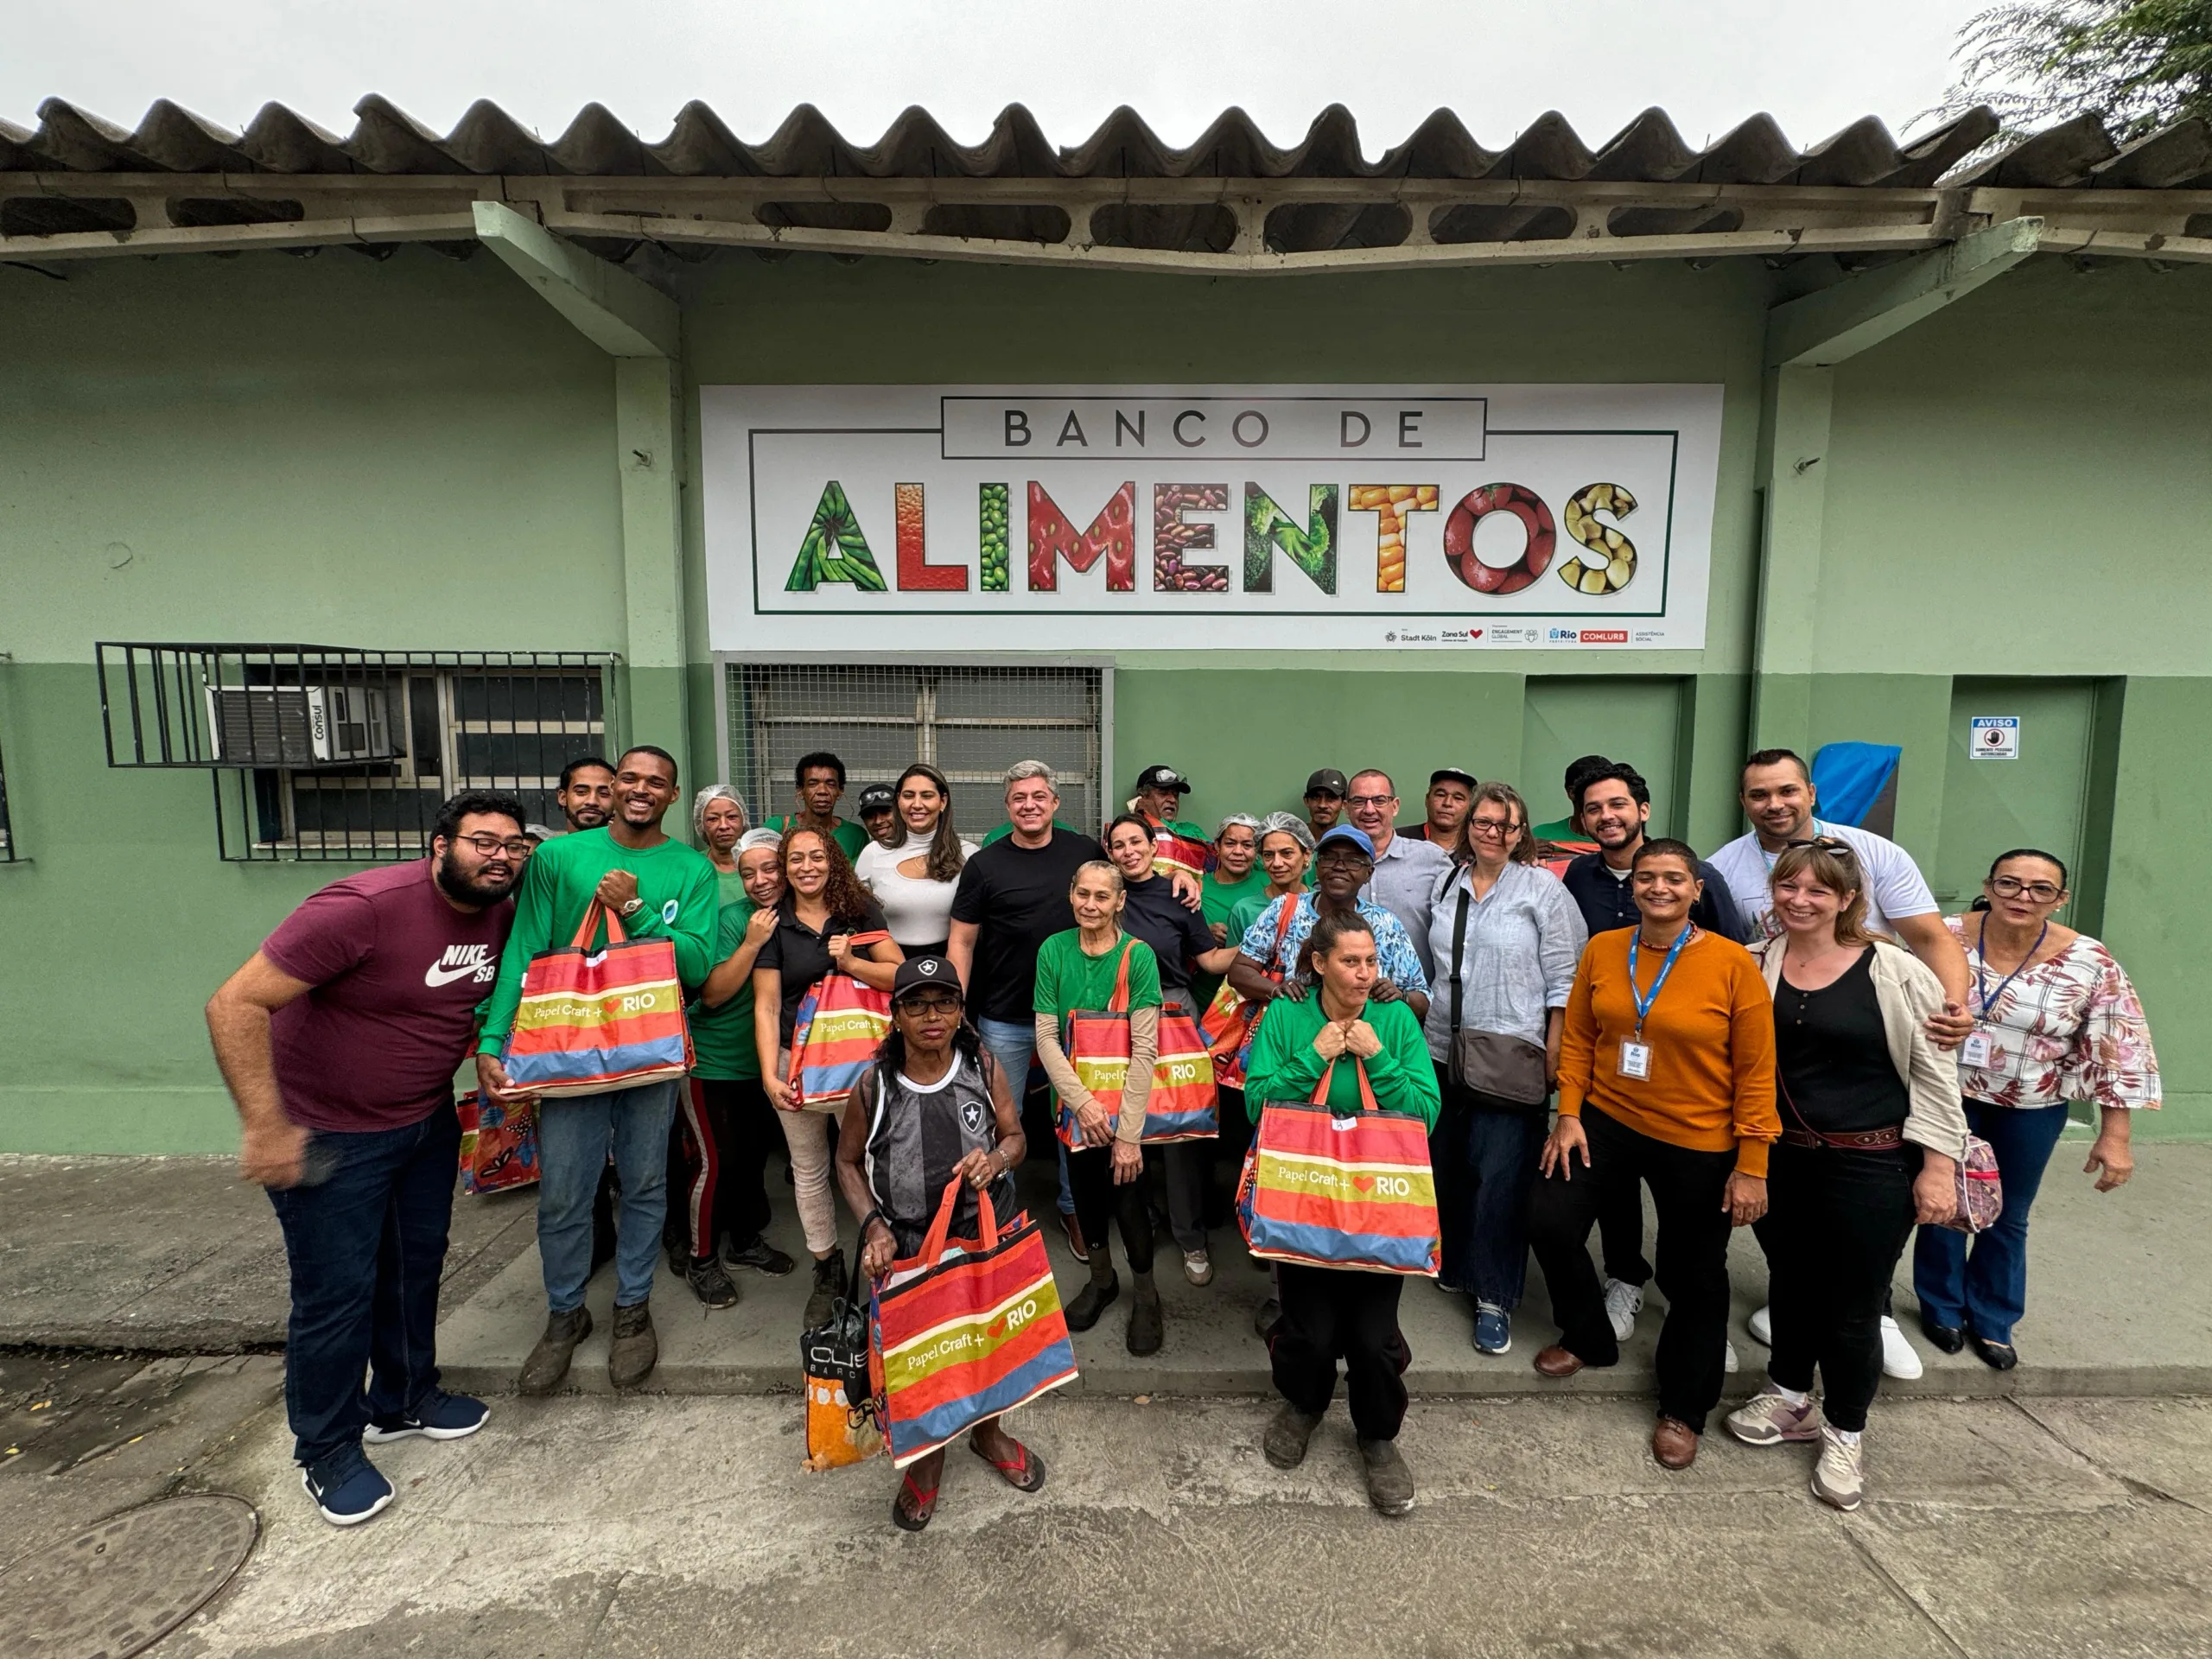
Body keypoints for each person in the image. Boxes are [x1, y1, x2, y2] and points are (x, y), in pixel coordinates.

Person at [206, 789, 524, 1526]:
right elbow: (234, 1004)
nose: (500, 856)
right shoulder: (362, 906)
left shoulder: (504, 913)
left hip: (423, 1124)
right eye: (484, 841)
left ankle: (406, 1397)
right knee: (335, 1297)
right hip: (328, 1135)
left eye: (514, 845)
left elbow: (477, 1001)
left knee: (415, 1269)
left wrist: (486, 1048)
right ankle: (327, 1449)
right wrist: (265, 1124)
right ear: (440, 846)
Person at [1712, 748, 1974, 1378]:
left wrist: (1954, 1007)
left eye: (1785, 791)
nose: (1773, 804)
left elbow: (1933, 938)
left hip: (1870, 1119)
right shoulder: (1731, 881)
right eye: (1758, 794)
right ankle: (1791, 1386)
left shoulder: (1879, 872)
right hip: (1785, 1127)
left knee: (1859, 1279)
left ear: (1810, 792)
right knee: (1794, 1268)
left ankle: (1868, 1339)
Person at [1724, 839, 1967, 1510]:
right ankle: (1789, 1396)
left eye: (1817, 891)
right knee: (1791, 1283)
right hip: (1782, 1157)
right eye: (1788, 887)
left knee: (1855, 1307)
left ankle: (1845, 1431)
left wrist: (1939, 1166)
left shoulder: (1894, 970)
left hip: (1872, 1160)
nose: (1800, 901)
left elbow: (1934, 1072)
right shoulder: (1755, 964)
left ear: (1848, 899)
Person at [1526, 839, 1777, 1471]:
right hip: (1607, 1120)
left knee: (1692, 1271)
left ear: (1697, 889)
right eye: (1646, 878)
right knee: (1550, 1219)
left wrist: (1752, 1164)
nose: (1657, 887)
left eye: (1673, 878)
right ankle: (1589, 1335)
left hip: (1698, 1136)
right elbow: (1581, 1038)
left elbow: (1756, 1069)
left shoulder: (1730, 963)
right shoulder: (1605, 949)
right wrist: (1569, 1114)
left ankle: (1683, 1407)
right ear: (1631, 887)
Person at [480, 747, 718, 1397]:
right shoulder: (559, 858)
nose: (640, 791)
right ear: (612, 788)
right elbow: (524, 949)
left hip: (650, 1052)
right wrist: (494, 1038)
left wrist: (636, 910)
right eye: (630, 779)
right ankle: (565, 1314)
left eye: (656, 784)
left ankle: (632, 1309)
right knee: (565, 1190)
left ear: (673, 796)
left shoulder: (690, 869)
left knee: (644, 1184)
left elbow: (696, 966)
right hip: (568, 1050)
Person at [1913, 849, 2160, 1370]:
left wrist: (2115, 1134)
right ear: (1989, 884)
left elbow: (2118, 1044)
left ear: (2060, 898)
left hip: (2030, 1104)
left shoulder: (2090, 961)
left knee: (2010, 1213)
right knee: (1941, 1202)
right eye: (2009, 884)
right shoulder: (1943, 936)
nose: (2022, 897)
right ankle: (1941, 1307)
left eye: (2040, 889)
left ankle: (1994, 1318)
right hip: (1945, 1095)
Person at [835, 955, 1043, 1533]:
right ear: (894, 1014)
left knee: (991, 1347)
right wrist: (873, 1225)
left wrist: (999, 1158)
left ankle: (989, 1433)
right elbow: (847, 1162)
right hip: (907, 1249)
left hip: (982, 1240)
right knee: (920, 1364)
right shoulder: (874, 1084)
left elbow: (1016, 1136)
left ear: (960, 1011)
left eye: (944, 1002)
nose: (932, 1015)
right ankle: (928, 1464)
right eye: (916, 1004)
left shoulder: (982, 1065)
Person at [1244, 912, 1441, 1516]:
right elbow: (1258, 1103)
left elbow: (1426, 1114)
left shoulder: (1395, 1018)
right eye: (1350, 962)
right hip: (1304, 1195)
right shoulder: (1286, 1014)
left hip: (1379, 1200)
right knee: (1309, 1327)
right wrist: (1314, 1054)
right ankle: (1304, 1405)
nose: (1364, 974)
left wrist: (1377, 1056)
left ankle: (1377, 1437)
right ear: (1319, 964)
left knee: (1373, 1337)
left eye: (1371, 962)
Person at [1558, 760, 1744, 1352]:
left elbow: (1734, 971)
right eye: (1593, 809)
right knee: (1611, 1195)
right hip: (1612, 1082)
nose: (1606, 817)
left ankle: (1698, 1321)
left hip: (1691, 1087)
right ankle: (1625, 1277)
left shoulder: (1698, 877)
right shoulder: (1579, 877)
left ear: (1641, 809)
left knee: (1691, 1232)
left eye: (1617, 805)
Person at [1422, 783, 1586, 1356]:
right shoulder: (1447, 882)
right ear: (1468, 826)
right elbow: (1434, 963)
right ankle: (1459, 1263)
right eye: (1483, 823)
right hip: (1444, 1046)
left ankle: (1493, 1295)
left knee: (1501, 1178)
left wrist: (1556, 1054)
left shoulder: (1542, 890)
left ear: (1522, 833)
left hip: (1513, 1052)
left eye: (1505, 826)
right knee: (1451, 1166)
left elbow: (1566, 979)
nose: (1493, 833)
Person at [948, 761, 1103, 1262]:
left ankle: (1074, 1205)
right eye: (1019, 797)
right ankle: (997, 1211)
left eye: (1039, 796)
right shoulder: (985, 866)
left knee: (1078, 1116)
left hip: (1078, 1019)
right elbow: (963, 940)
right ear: (1008, 806)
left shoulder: (1084, 853)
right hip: (1005, 1015)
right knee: (998, 1121)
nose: (1030, 804)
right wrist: (957, 1008)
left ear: (1056, 803)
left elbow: (1120, 898)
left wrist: (1178, 889)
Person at [753, 826, 905, 1326]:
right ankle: (828, 1268)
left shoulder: (859, 911)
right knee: (810, 1168)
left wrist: (851, 962)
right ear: (784, 866)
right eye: (795, 859)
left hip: (859, 1063)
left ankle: (888, 1254)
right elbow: (767, 1002)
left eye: (817, 856)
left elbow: (901, 975)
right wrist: (767, 1075)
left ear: (832, 860)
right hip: (792, 1064)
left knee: (872, 1162)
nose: (807, 866)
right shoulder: (773, 923)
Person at [1032, 860, 1166, 1354]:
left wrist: (1128, 1134)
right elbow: (1046, 1039)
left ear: (1119, 901)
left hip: (1126, 1107)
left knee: (1130, 1201)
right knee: (1086, 1197)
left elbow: (1145, 1048)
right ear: (1071, 893)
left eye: (1101, 897)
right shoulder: (1053, 950)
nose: (1091, 904)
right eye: (1082, 893)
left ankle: (1147, 1296)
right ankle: (1103, 1280)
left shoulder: (1139, 956)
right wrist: (1083, 1105)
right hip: (1073, 1106)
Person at [1104, 814, 1239, 1286]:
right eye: (1118, 844)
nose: (1128, 851)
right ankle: (1140, 1221)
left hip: (1172, 1014)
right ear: (1109, 852)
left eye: (1135, 841)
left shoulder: (1179, 894)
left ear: (1151, 846)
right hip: (1114, 1017)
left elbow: (1207, 960)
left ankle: (1191, 1237)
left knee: (1180, 1128)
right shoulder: (1103, 895)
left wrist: (1256, 950)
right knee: (1125, 1123)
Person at [677, 828, 798, 1309]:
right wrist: (751, 944)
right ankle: (700, 1259)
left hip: (763, 1064)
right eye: (748, 873)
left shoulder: (798, 917)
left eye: (770, 869)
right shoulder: (731, 919)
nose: (760, 881)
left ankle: (745, 1243)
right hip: (715, 1063)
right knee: (715, 1164)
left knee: (750, 1161)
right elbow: (711, 993)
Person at [1226, 826, 1430, 1025]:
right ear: (1317, 868)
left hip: (1366, 1048)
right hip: (1291, 1042)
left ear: (1369, 873)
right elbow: (1239, 971)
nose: (1339, 866)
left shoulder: (1385, 925)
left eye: (1353, 861)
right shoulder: (1285, 910)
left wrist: (1401, 996)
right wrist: (1276, 989)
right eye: (1330, 858)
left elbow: (1423, 1000)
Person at [855, 762, 977, 962]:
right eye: (908, 795)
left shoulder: (969, 855)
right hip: (890, 968)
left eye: (927, 796)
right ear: (898, 801)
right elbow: (858, 920)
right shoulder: (873, 853)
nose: (917, 804)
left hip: (951, 964)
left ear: (943, 801)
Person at [1344, 769, 1453, 983]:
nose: (1369, 809)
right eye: (1359, 801)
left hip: (1417, 1002)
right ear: (1347, 808)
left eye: (1379, 800)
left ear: (1394, 806)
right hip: (1348, 1002)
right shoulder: (1334, 865)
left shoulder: (1431, 859)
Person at [764, 751, 869, 862]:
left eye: (831, 784)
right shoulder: (777, 828)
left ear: (840, 790)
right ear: (800, 790)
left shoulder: (856, 836)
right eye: (813, 784)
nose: (822, 791)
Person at [1124, 763, 1212, 882]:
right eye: (1163, 793)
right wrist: (1151, 820)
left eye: (1176, 795)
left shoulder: (1191, 830)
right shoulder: (1126, 831)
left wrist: (1157, 821)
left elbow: (1214, 861)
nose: (1172, 800)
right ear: (1142, 798)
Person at [1201, 814, 1268, 950]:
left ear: (1258, 850)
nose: (1238, 852)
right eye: (1230, 844)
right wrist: (1203, 932)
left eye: (1247, 845)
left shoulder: (1270, 882)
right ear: (1217, 846)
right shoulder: (1197, 888)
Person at [694, 784, 752, 907]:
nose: (723, 826)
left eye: (732, 817)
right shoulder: (694, 868)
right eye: (713, 819)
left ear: (744, 820)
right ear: (701, 824)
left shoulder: (761, 866)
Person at [1402, 766, 1477, 846]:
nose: (1447, 803)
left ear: (1470, 806)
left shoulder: (1477, 846)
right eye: (1441, 795)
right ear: (1427, 800)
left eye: (1458, 798)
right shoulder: (1399, 840)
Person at [553, 755, 614, 836]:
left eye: (604, 793)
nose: (592, 802)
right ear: (563, 798)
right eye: (581, 792)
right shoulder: (549, 848)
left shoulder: (631, 847)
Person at [1303, 768, 1349, 843]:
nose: (1322, 805)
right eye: (1316, 797)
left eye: (1331, 798)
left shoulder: (1347, 844)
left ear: (1344, 804)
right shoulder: (1292, 839)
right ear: (1306, 801)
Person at [855, 782, 902, 850]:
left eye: (885, 812)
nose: (878, 821)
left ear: (900, 812)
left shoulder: (919, 849)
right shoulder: (866, 855)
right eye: (870, 816)